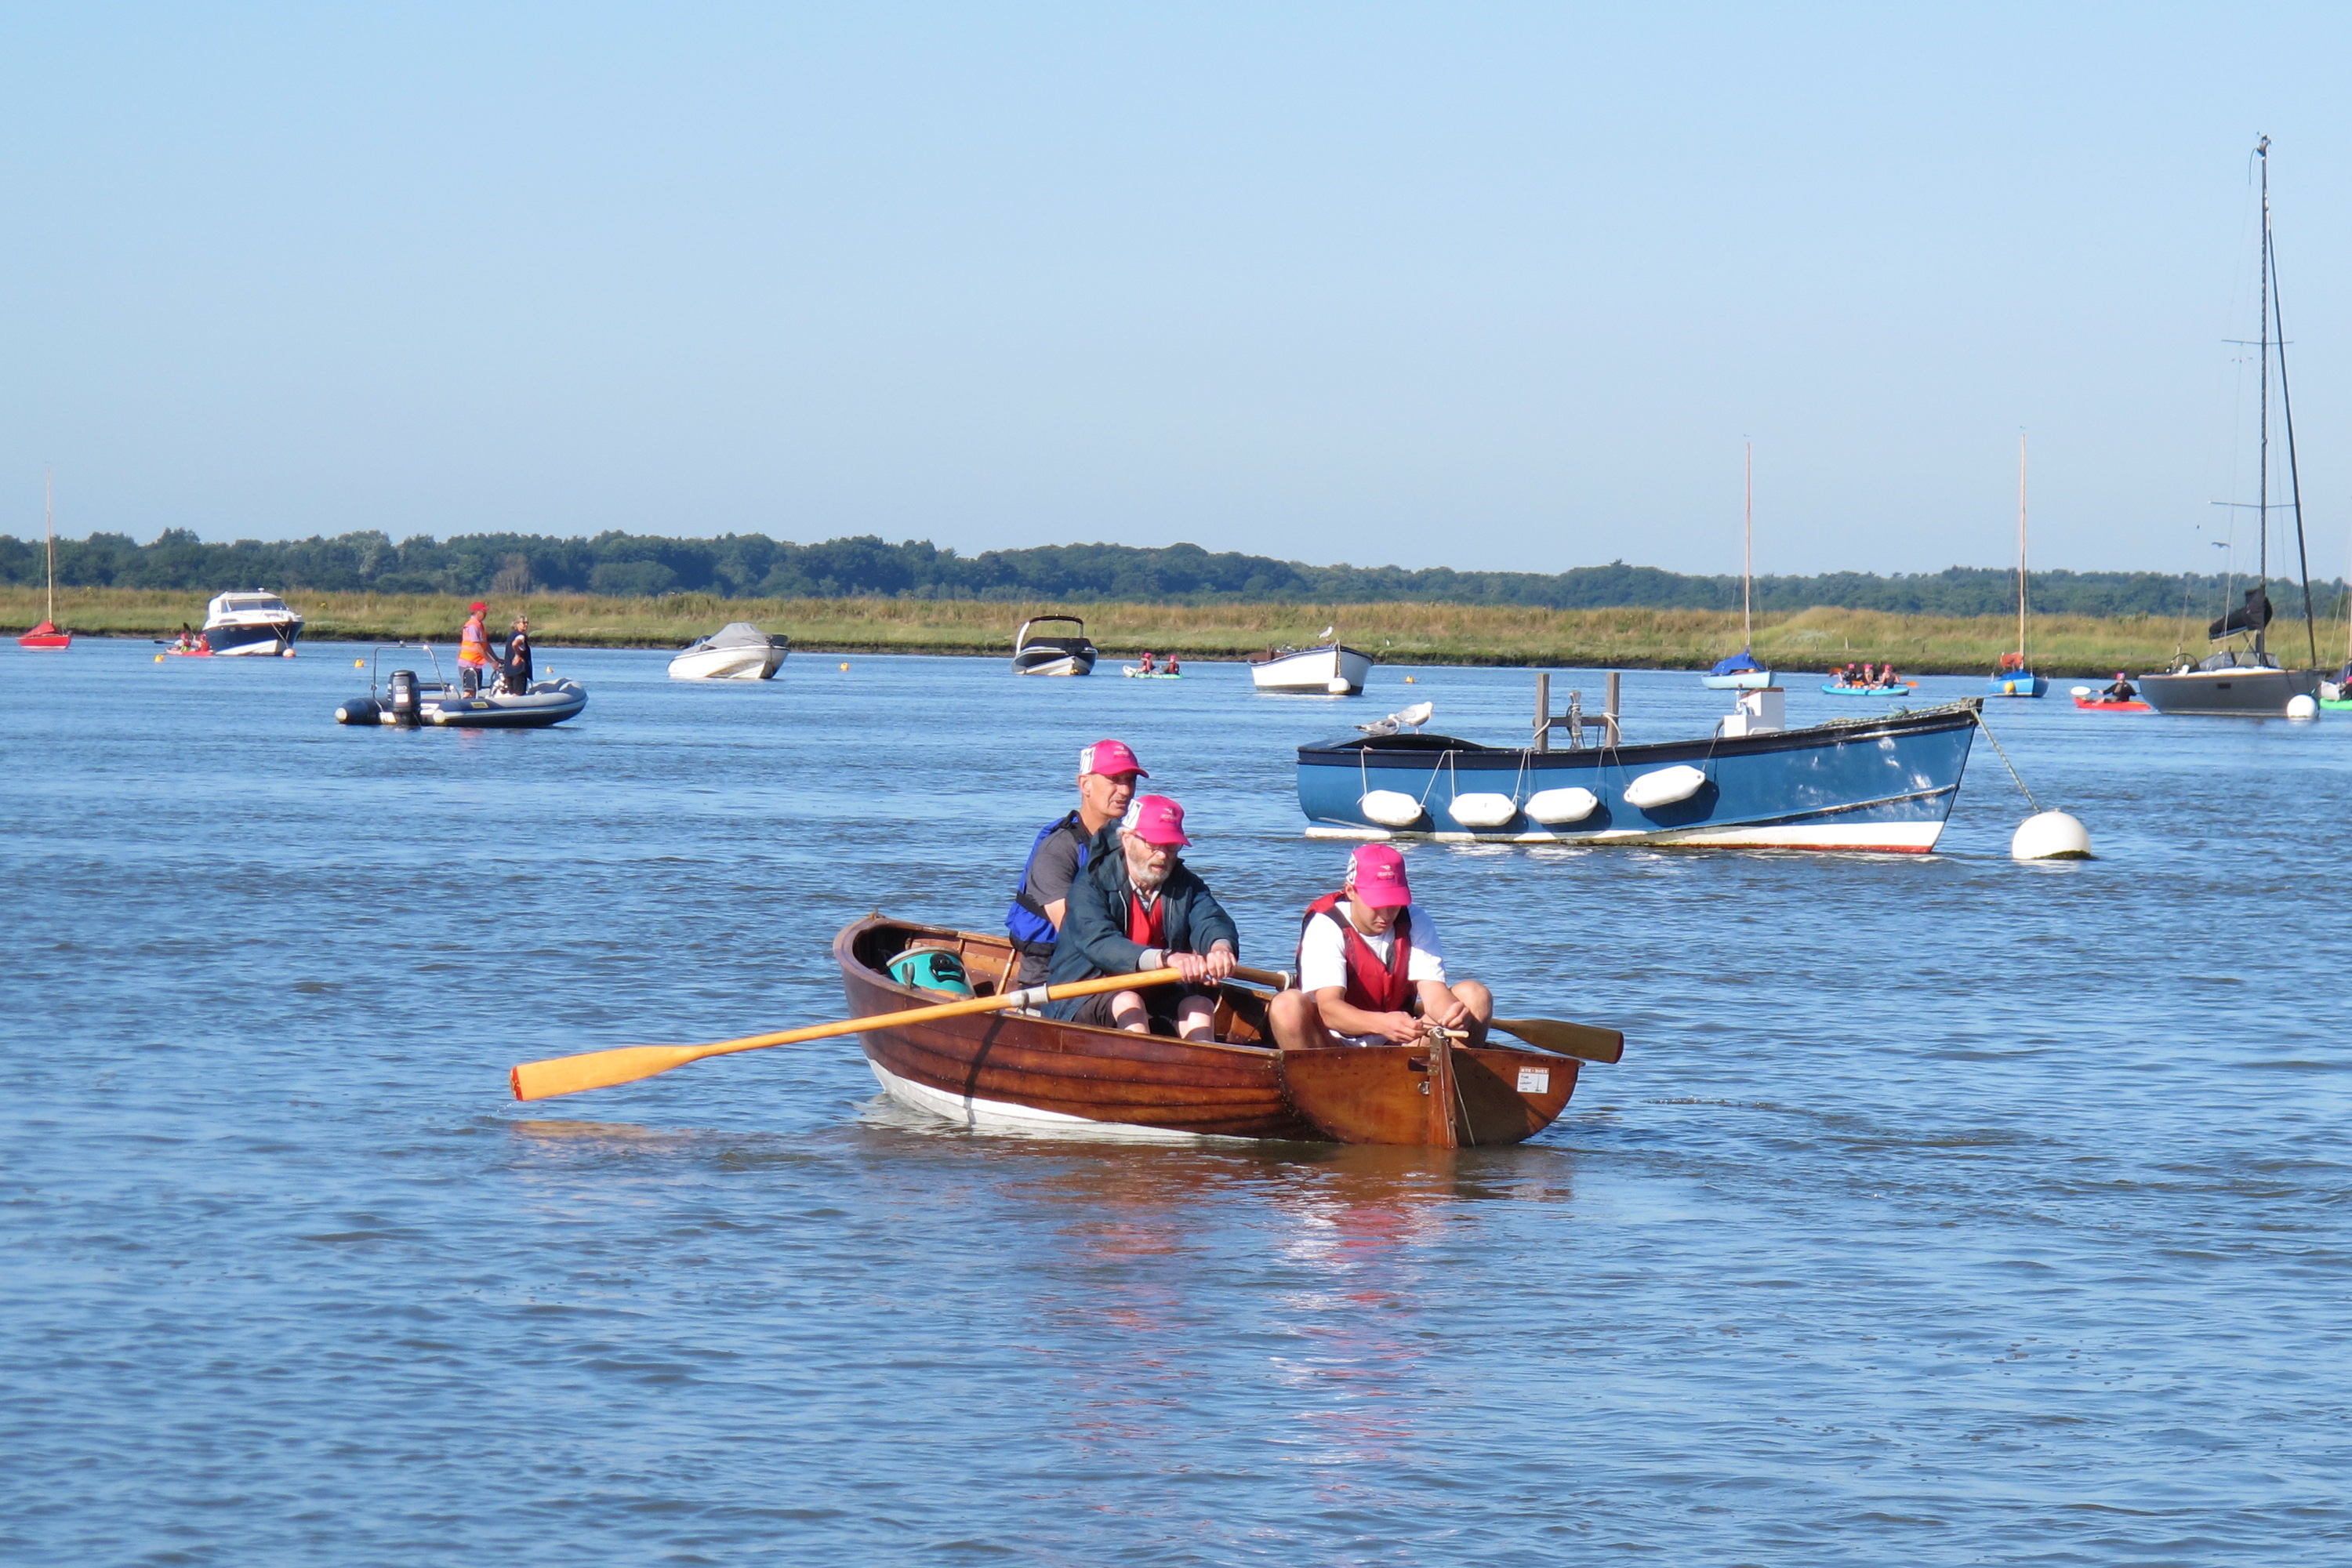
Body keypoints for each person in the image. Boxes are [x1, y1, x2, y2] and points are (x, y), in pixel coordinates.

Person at [1041, 794, 1237, 1041]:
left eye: (1171, 846)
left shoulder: (1184, 883)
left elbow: (1211, 919)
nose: (1163, 856)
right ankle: (1140, 1074)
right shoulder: (1090, 884)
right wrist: (1166, 959)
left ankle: (1201, 1072)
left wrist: (1220, 947)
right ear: (1127, 839)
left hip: (1156, 996)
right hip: (1078, 996)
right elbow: (1100, 943)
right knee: (1128, 1002)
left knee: (1198, 1005)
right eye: (1153, 844)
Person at [1269, 845, 1491, 1051]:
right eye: (1377, 903)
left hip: (1399, 1042)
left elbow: (1433, 994)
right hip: (1332, 1044)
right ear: (1351, 891)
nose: (1386, 915)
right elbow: (1329, 1010)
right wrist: (1382, 1024)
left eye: (1394, 902)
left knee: (1474, 995)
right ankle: (1310, 1087)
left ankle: (1456, 1087)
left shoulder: (1416, 920)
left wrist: (1451, 1014)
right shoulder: (1326, 925)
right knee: (1286, 1005)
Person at [1005, 739, 1147, 986]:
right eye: (1114, 780)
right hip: (1053, 978)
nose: (1125, 791)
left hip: (1116, 967)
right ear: (1085, 784)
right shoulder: (1057, 850)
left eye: (1130, 781)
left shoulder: (1132, 845)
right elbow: (1075, 934)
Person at [458, 601, 492, 696]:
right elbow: (478, 646)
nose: (486, 614)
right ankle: (465, 705)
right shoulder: (473, 625)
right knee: (469, 691)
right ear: (477, 612)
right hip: (468, 663)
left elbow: (486, 645)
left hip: (476, 663)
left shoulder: (479, 625)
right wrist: (491, 662)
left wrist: (496, 659)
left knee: (475, 690)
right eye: (483, 612)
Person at [501, 616, 534, 694]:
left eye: (527, 623)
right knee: (518, 694)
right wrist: (518, 655)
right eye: (523, 623)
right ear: (517, 624)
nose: (526, 625)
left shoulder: (511, 636)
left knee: (512, 693)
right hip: (519, 670)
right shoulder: (521, 636)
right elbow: (515, 644)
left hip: (509, 670)